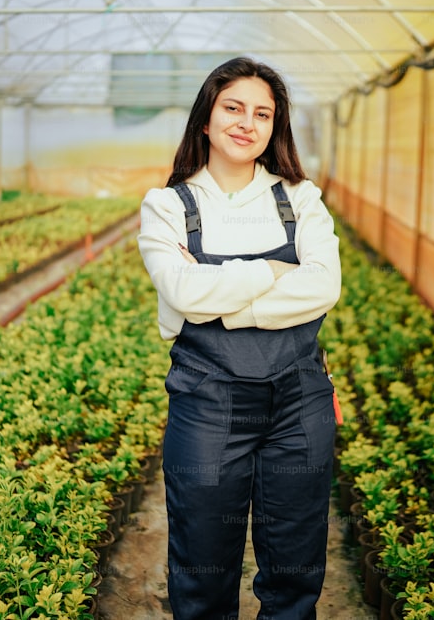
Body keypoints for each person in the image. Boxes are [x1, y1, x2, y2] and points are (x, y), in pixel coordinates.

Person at [137, 56, 342, 620]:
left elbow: (323, 288)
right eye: (233, 108)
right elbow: (181, 289)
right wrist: (275, 271)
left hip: (299, 401)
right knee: (202, 565)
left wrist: (218, 302)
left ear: (275, 127)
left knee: (296, 569)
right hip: (208, 402)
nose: (246, 122)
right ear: (206, 118)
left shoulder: (301, 200)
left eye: (262, 113)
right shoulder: (168, 205)